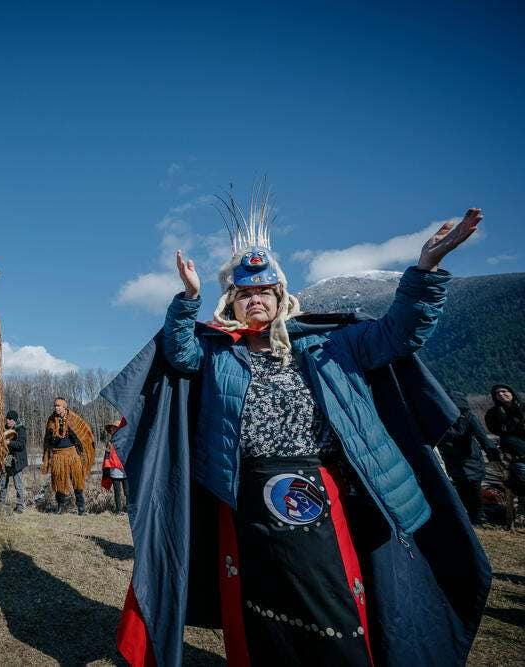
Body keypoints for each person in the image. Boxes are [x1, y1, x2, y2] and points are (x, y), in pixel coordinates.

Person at [100, 186, 490, 666]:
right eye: (244, 293)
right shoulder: (220, 352)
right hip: (240, 493)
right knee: (256, 601)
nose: (255, 299)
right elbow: (179, 355)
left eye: (264, 290)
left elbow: (401, 332)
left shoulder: (334, 342)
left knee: (331, 598)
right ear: (232, 302)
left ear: (282, 295)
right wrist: (189, 298)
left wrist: (426, 270)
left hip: (320, 486)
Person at [436, 390, 502, 524]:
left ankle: (478, 514)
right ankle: (471, 514)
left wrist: (493, 455)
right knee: (461, 486)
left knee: (474, 486)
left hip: (470, 457)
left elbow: (482, 437)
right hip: (452, 458)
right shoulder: (440, 417)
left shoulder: (469, 417)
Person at [42, 398, 95, 515]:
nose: (56, 407)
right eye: (55, 405)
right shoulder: (51, 420)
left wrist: (80, 445)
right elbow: (47, 440)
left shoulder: (73, 419)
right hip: (58, 455)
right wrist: (52, 436)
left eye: (59, 405)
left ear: (64, 407)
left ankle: (81, 508)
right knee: (59, 482)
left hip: (72, 455)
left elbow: (84, 432)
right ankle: (60, 507)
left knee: (78, 481)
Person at [485, 384, 525, 517]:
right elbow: (494, 430)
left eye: (504, 391)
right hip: (514, 454)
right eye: (497, 393)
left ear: (511, 392)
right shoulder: (494, 413)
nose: (501, 394)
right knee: (520, 476)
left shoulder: (523, 407)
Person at [0, 410, 27, 513]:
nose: (8, 421)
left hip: (17, 460)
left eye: (10, 419)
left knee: (18, 484)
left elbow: (21, 445)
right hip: (6, 459)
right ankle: (0, 504)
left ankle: (20, 506)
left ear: (14, 420)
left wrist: (9, 442)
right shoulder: (4, 429)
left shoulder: (21, 429)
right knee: (3, 482)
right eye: (7, 418)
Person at [101, 419, 129, 514]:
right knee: (117, 492)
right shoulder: (109, 443)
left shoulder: (125, 441)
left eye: (114, 428)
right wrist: (106, 469)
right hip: (114, 470)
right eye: (111, 429)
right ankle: (118, 510)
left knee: (127, 491)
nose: (112, 430)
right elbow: (107, 457)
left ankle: (129, 508)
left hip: (124, 469)